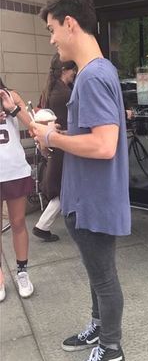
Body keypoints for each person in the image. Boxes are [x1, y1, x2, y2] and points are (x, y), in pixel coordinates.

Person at [31, 0, 131, 361]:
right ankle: (99, 328)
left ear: (70, 24)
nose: (53, 39)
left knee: (104, 278)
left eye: (53, 29)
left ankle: (111, 348)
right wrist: (62, 133)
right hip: (86, 198)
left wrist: (54, 138)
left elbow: (105, 145)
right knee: (96, 274)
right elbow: (98, 135)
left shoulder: (91, 77)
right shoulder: (99, 72)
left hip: (95, 200)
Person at [32, 53, 76, 242]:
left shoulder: (51, 90)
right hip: (64, 145)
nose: (75, 73)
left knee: (64, 185)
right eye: (73, 69)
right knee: (64, 186)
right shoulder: (65, 94)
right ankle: (42, 225)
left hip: (55, 145)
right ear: (65, 70)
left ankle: (44, 225)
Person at [0, 78, 34, 302]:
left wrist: (12, 109)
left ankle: (22, 271)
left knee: (19, 222)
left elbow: (32, 125)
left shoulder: (11, 95)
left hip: (14, 170)